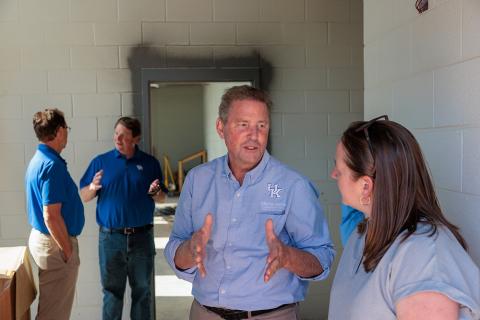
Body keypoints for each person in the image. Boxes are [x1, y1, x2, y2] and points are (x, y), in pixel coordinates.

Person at [164, 85, 335, 320]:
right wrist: (190, 249)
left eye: (261, 126)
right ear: (220, 128)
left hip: (271, 316)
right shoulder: (198, 180)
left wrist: (287, 257)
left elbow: (322, 258)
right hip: (206, 314)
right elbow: (176, 248)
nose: (254, 135)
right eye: (243, 125)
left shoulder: (293, 185)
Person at [329, 115, 480, 319]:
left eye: (339, 169)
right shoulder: (362, 233)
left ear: (365, 186)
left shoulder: (423, 256)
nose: (333, 175)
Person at [79, 117, 167, 320]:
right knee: (112, 294)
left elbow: (161, 197)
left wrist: (156, 193)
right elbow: (84, 195)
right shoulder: (100, 162)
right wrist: (92, 187)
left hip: (142, 239)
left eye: (124, 135)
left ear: (136, 139)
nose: (117, 139)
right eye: (116, 133)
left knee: (142, 293)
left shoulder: (150, 163)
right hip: (110, 240)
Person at [25, 108, 85, 320]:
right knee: (54, 314)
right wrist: (68, 252)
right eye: (66, 128)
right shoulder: (52, 166)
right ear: (60, 131)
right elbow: (51, 215)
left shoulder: (39, 159)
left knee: (52, 309)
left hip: (47, 241)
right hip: (56, 245)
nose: (67, 133)